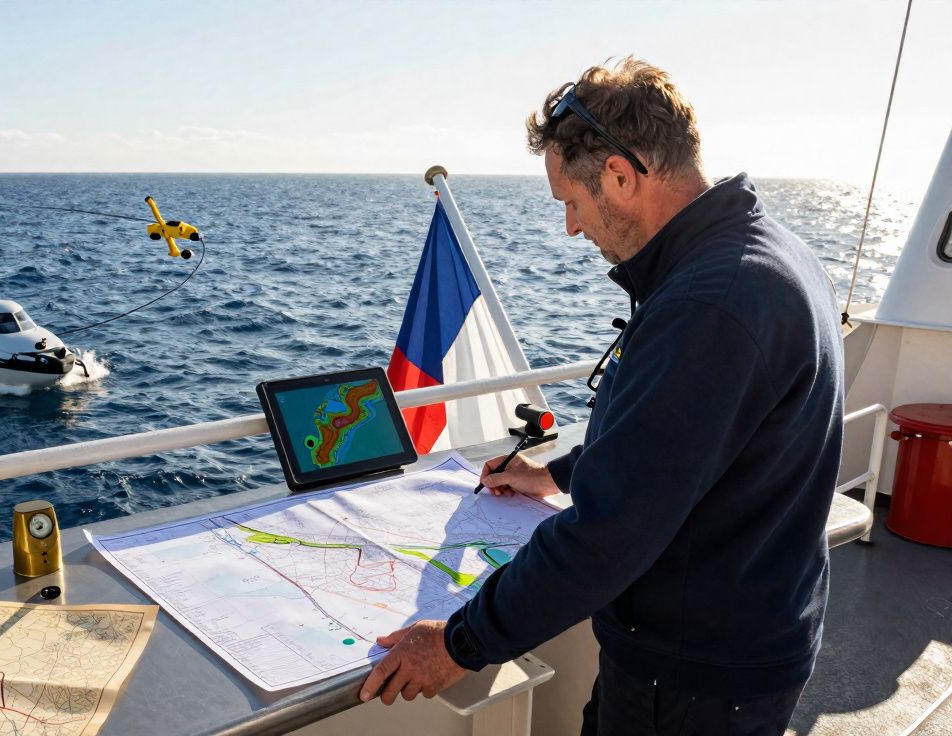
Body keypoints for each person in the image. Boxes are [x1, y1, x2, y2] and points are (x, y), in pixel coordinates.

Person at [359, 57, 844, 735]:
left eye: (573, 202)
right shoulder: (759, 252)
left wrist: (457, 643)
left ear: (620, 175)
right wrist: (551, 473)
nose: (570, 227)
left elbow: (612, 533)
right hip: (741, 637)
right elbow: (679, 449)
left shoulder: (713, 305)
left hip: (694, 680)